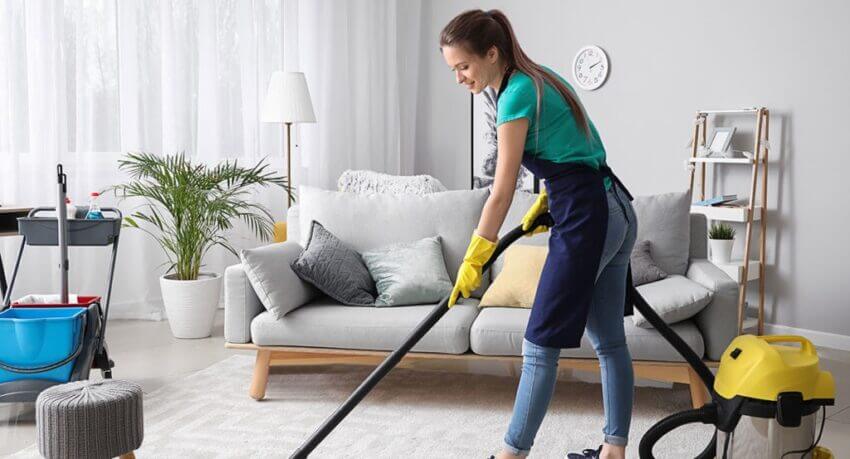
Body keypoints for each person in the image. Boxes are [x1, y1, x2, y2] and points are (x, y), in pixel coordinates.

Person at [441, 9, 639, 459]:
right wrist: (550, 196)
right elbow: (578, 150)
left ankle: (511, 455)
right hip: (615, 206)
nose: (459, 78)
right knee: (609, 341)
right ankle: (614, 452)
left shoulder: (514, 95)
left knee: (539, 344)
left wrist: (476, 256)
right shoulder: (539, 76)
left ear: (492, 54)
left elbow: (500, 192)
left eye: (464, 66)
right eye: (453, 69)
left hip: (589, 217)